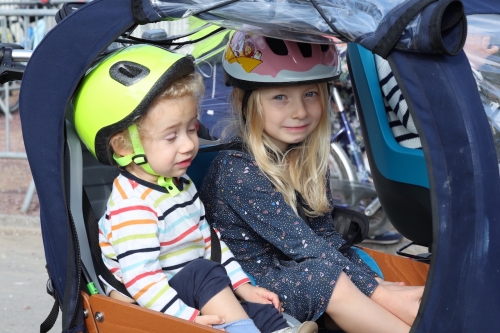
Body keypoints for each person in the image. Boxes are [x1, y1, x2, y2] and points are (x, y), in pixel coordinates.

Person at [72, 44, 318, 333]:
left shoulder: (180, 185)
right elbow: (143, 281)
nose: (189, 144)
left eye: (191, 129)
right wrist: (184, 319)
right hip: (151, 309)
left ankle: (279, 329)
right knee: (204, 274)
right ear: (124, 146)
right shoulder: (133, 206)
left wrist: (244, 287)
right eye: (171, 136)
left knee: (255, 306)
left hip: (193, 291)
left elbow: (210, 244)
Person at [200, 32, 424, 333]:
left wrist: (376, 285)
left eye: (311, 94)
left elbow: (325, 237)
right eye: (280, 97)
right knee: (325, 277)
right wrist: (382, 294)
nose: (301, 112)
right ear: (245, 101)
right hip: (252, 286)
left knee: (351, 262)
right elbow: (306, 248)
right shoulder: (236, 170)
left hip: (299, 270)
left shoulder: (304, 159)